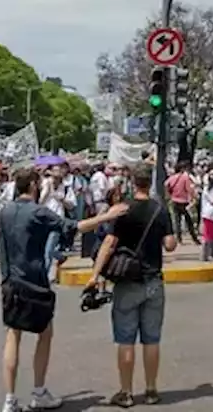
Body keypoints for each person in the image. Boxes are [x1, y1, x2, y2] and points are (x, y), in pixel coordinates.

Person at [89, 166, 177, 408]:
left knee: (125, 339)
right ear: (150, 182)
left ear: (132, 182)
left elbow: (109, 242)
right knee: (151, 340)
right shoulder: (160, 209)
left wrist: (95, 275)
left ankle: (126, 392)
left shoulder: (124, 209)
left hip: (128, 281)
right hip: (153, 280)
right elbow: (170, 244)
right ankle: (151, 389)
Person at [0, 167, 68, 412]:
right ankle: (38, 391)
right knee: (45, 333)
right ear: (34, 186)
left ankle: (9, 399)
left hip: (10, 281)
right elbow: (71, 226)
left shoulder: (4, 211)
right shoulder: (38, 211)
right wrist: (105, 217)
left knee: (13, 335)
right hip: (34, 282)